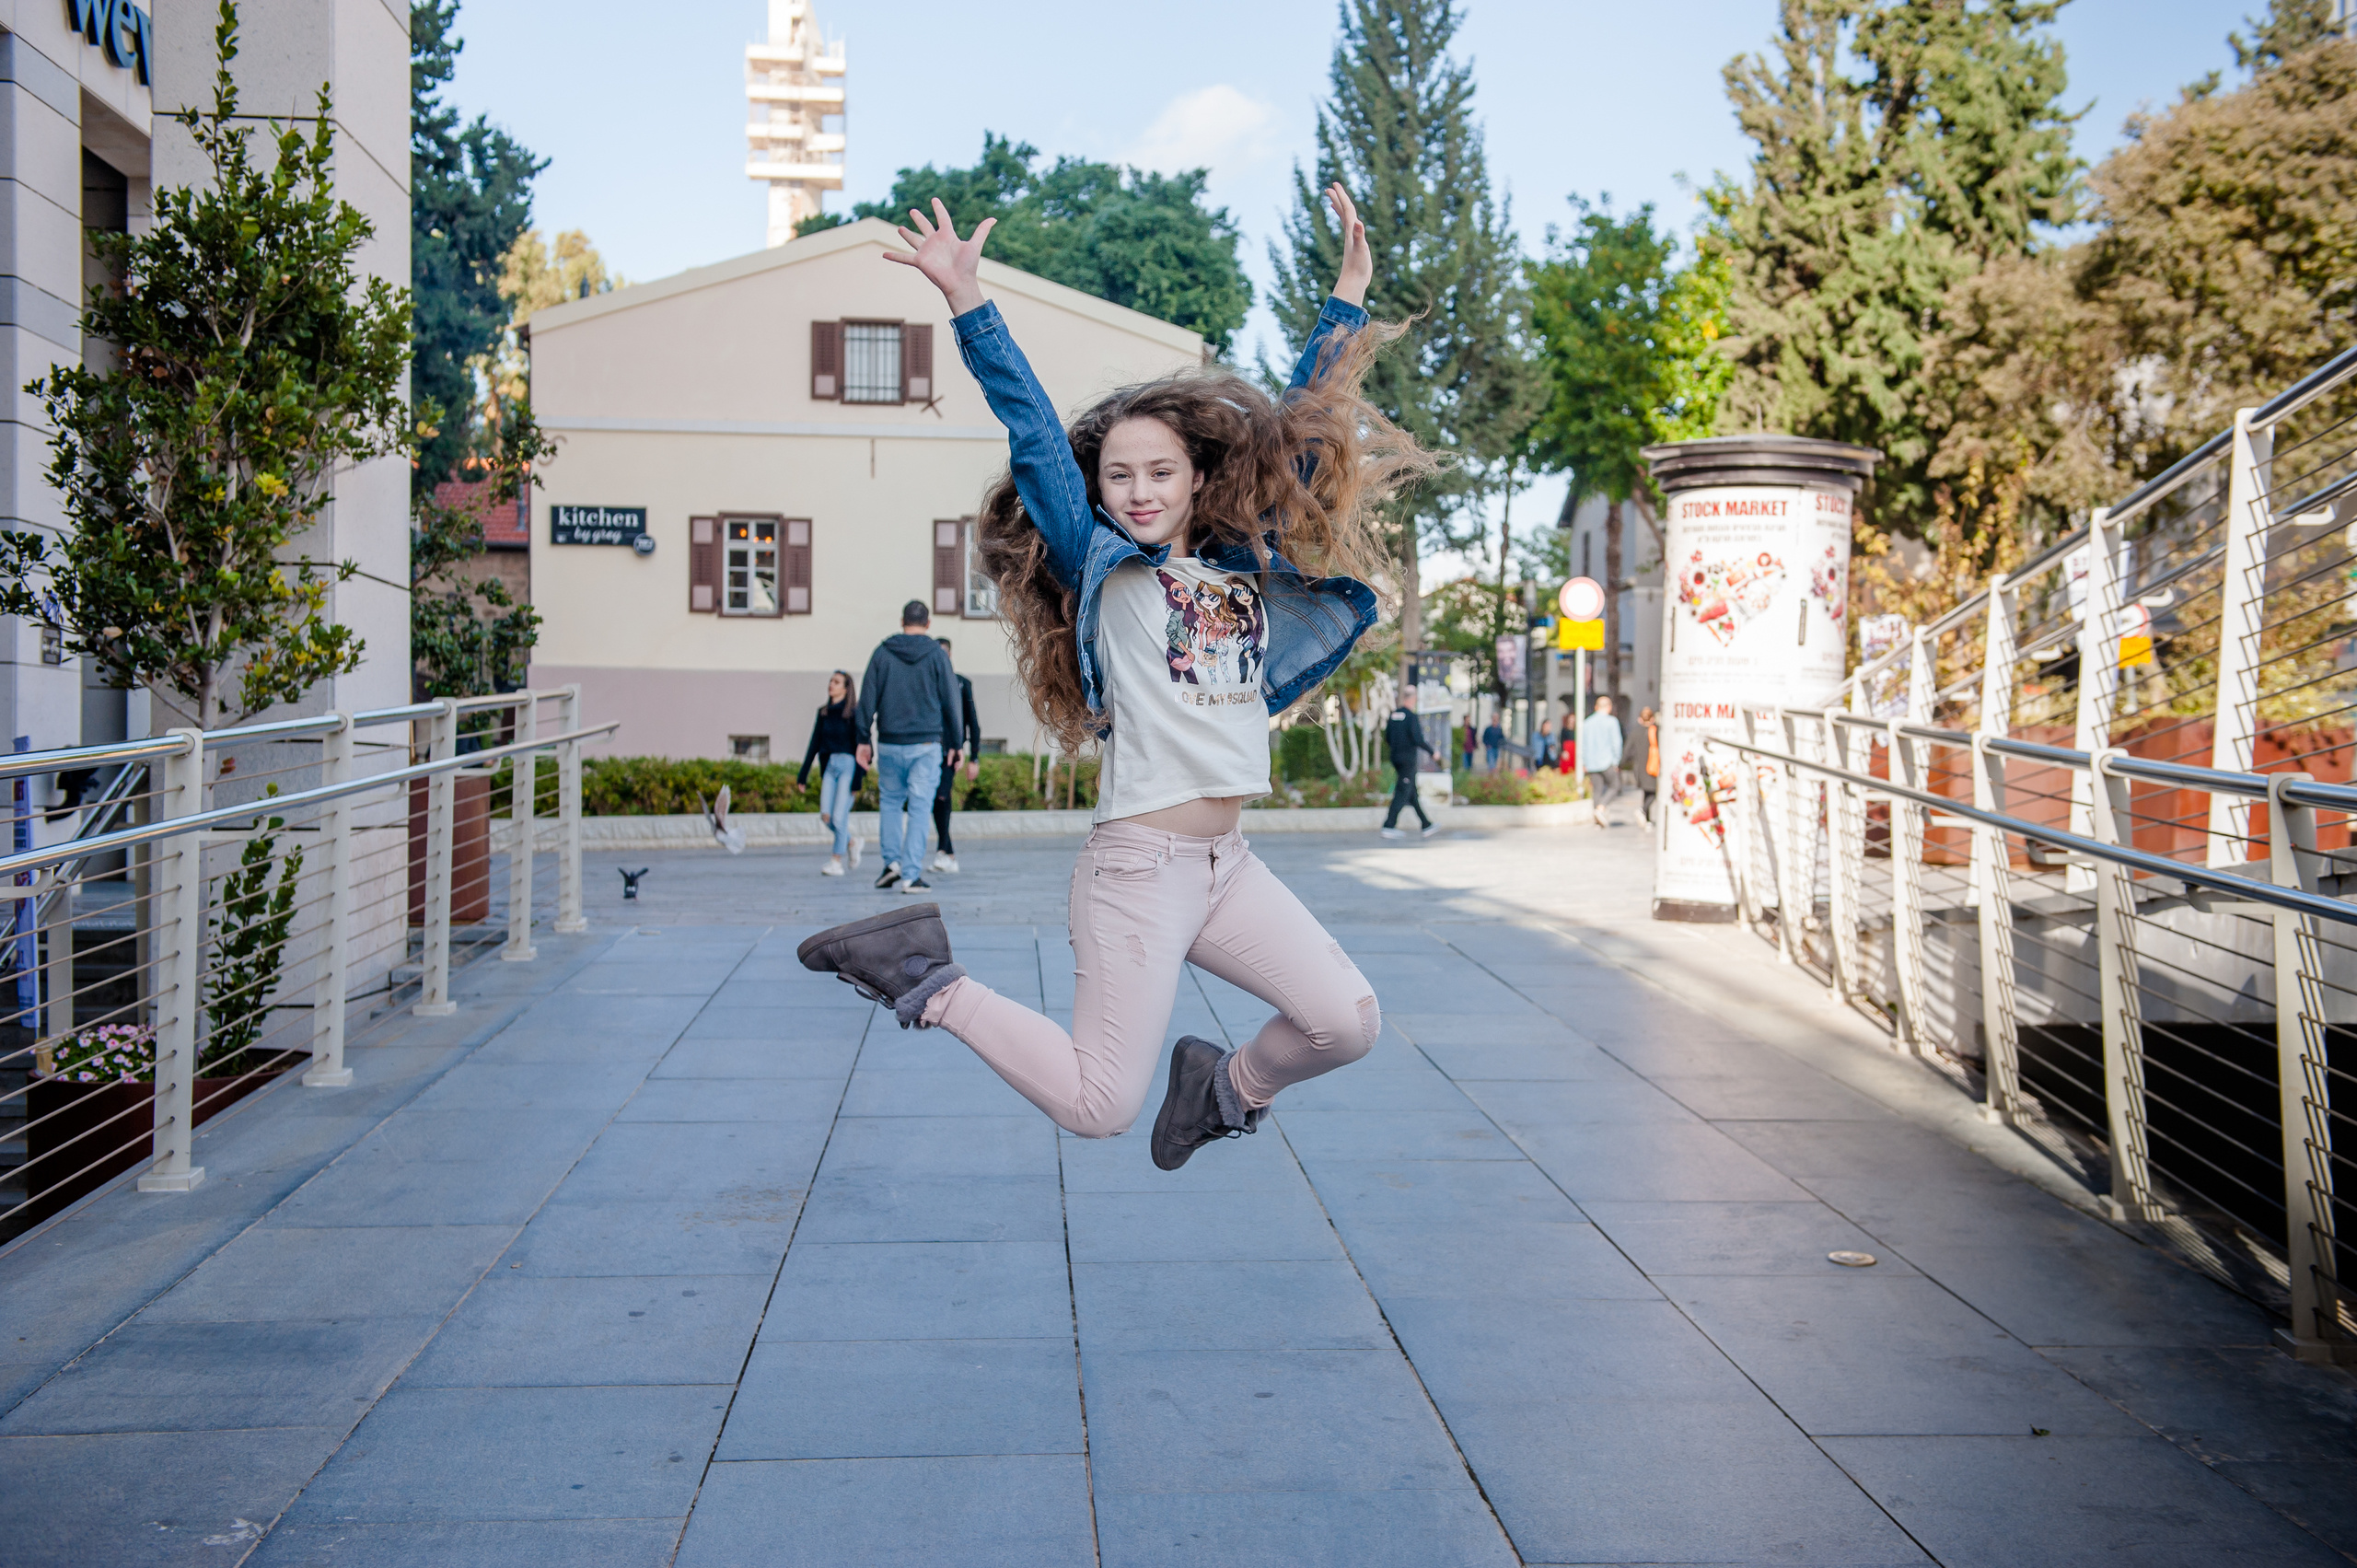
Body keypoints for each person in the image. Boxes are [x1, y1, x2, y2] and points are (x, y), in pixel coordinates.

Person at [797, 186, 1434, 1170]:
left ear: (1197, 477)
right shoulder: (1106, 568)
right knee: (1098, 1105)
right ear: (1097, 489)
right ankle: (924, 973)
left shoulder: (1233, 565)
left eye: (1160, 472)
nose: (1139, 491)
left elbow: (1299, 435)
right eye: (1120, 475)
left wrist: (1345, 301)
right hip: (1140, 869)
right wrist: (968, 301)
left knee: (1345, 1021)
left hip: (1228, 867)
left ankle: (1222, 1089)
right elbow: (1033, 430)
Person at [854, 599, 964, 893]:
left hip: (889, 742)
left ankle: (891, 863)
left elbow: (866, 698)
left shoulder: (882, 652)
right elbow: (951, 700)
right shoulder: (937, 655)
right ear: (928, 624)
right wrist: (956, 743)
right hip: (926, 744)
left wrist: (863, 739)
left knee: (890, 803)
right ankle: (910, 875)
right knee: (919, 807)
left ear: (902, 621)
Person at [797, 669, 866, 876]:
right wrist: (803, 774)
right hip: (830, 767)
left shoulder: (854, 713)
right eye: (831, 681)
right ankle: (852, 842)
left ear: (846, 688)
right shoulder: (823, 713)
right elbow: (814, 744)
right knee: (826, 817)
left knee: (838, 817)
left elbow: (863, 747)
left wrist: (858, 780)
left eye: (836, 682)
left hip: (848, 766)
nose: (831, 685)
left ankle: (836, 861)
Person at [929, 636, 983, 875]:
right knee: (935, 800)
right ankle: (947, 853)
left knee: (942, 796)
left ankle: (944, 851)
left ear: (949, 655)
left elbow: (973, 723)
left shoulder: (961, 684)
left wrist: (974, 758)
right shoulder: (928, 684)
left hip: (951, 752)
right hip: (930, 750)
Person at [1379, 700, 1441, 840]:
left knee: (1411, 792)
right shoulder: (1411, 717)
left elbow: (1387, 737)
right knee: (1402, 791)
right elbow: (1418, 738)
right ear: (1412, 699)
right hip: (1407, 760)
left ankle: (1426, 824)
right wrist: (1432, 752)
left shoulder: (1394, 715)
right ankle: (1389, 825)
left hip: (1396, 758)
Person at [1581, 694, 1624, 828]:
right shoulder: (1611, 722)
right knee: (1615, 786)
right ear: (1609, 707)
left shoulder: (1587, 723)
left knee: (1597, 790)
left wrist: (1584, 762)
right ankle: (1601, 808)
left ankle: (1597, 820)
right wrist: (1616, 761)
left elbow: (1583, 745)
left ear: (1596, 707)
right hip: (1606, 761)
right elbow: (1616, 743)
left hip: (1592, 763)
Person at [1637, 704, 1661, 824]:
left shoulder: (1636, 732)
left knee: (1647, 793)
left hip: (1641, 768)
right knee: (1654, 792)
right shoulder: (1656, 731)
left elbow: (1628, 749)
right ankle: (1643, 810)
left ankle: (1647, 818)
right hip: (1653, 766)